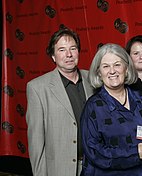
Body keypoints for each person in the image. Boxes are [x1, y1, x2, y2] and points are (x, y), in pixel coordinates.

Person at [80, 43, 142, 176]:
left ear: (127, 69)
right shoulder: (93, 107)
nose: (112, 71)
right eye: (106, 66)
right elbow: (94, 152)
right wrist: (135, 152)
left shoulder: (140, 99)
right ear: (99, 73)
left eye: (117, 64)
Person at [26, 27, 93, 176]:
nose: (68, 54)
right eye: (62, 50)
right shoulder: (37, 88)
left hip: (94, 167)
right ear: (53, 56)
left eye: (73, 48)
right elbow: (36, 143)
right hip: (60, 169)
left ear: (78, 52)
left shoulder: (93, 80)